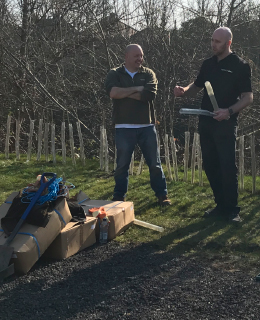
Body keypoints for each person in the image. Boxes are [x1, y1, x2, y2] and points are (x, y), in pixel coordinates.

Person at [174, 27, 253, 222]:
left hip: (225, 123)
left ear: (228, 43)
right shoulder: (208, 64)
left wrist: (229, 112)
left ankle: (233, 210)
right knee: (210, 164)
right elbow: (196, 86)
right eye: (212, 40)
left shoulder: (240, 65)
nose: (213, 44)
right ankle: (220, 206)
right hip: (206, 121)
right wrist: (183, 91)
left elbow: (248, 97)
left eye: (217, 41)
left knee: (227, 165)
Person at [105, 44, 171, 206]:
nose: (140, 59)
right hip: (123, 127)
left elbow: (149, 95)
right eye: (136, 56)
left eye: (141, 56)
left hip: (146, 126)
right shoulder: (115, 73)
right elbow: (113, 93)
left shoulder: (148, 74)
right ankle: (119, 196)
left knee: (154, 163)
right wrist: (136, 89)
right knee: (122, 165)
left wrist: (124, 93)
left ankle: (162, 195)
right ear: (126, 56)